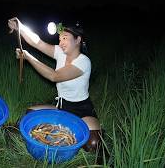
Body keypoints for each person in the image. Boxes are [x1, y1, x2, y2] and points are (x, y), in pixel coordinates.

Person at [7, 17, 101, 152]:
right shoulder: (60, 52)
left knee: (93, 143)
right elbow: (37, 42)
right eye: (60, 38)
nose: (61, 42)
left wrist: (28, 57)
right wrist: (19, 27)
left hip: (82, 110)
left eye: (65, 38)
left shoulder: (84, 62)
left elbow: (54, 76)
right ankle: (62, 129)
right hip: (62, 107)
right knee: (30, 114)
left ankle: (78, 130)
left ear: (78, 40)